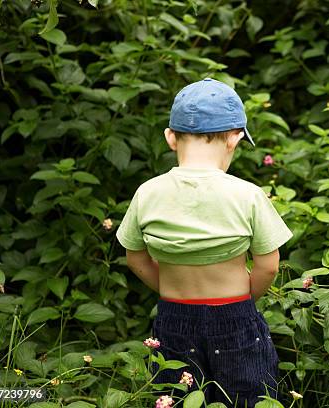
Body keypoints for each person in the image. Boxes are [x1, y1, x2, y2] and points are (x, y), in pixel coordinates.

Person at [115, 78, 293, 407]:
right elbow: (269, 266)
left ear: (170, 137)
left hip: (173, 319)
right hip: (236, 317)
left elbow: (135, 259)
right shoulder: (247, 195)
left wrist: (168, 288)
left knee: (177, 398)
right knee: (249, 398)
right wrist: (244, 301)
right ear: (234, 138)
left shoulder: (148, 193)